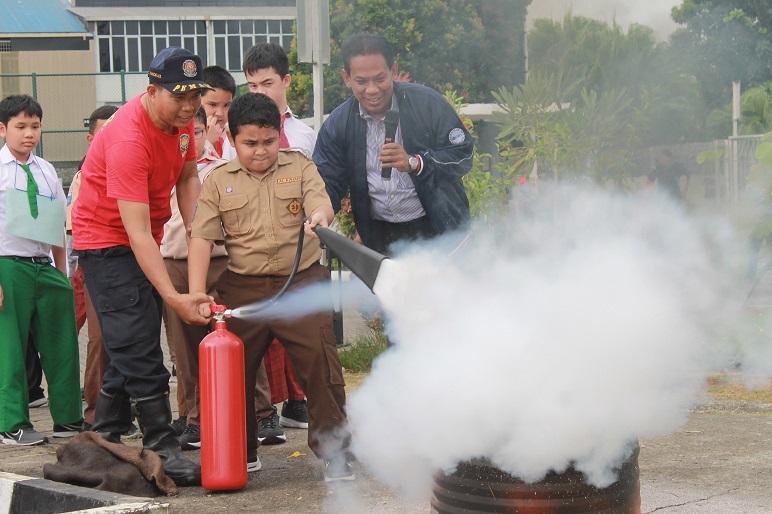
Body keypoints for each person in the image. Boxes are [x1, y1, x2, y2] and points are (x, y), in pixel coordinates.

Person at [188, 92, 354, 481]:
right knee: (230, 370)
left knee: (321, 363)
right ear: (231, 139)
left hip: (301, 283)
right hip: (243, 288)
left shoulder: (300, 166)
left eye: (268, 141)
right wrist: (198, 295)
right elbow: (201, 239)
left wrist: (318, 216)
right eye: (249, 144)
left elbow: (322, 204)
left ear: (279, 134)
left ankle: (335, 451)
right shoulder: (217, 182)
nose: (260, 151)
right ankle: (238, 451)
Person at [71, 47, 213, 487]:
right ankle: (163, 445)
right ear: (151, 91)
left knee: (132, 338)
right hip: (106, 242)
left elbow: (188, 176)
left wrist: (195, 230)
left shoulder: (183, 124)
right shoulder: (128, 138)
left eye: (195, 96)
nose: (189, 106)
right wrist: (175, 297)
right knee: (141, 346)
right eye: (179, 97)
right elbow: (132, 233)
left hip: (142, 237)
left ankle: (106, 433)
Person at [314, 33, 473, 256]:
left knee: (444, 291)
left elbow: (463, 154)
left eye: (380, 78)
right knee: (391, 291)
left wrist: (415, 163)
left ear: (394, 71)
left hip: (439, 230)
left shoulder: (427, 104)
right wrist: (321, 210)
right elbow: (327, 180)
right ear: (347, 78)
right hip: (381, 237)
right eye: (361, 81)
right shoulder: (338, 124)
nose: (372, 90)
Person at [243, 41, 317, 443]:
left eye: (267, 83)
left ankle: (300, 402)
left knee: (300, 333)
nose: (259, 92)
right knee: (254, 335)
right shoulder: (237, 134)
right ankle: (261, 413)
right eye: (251, 85)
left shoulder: (301, 135)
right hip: (250, 248)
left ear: (285, 81)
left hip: (294, 250)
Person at [0, 94, 83, 445]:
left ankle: (68, 420)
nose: (28, 134)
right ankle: (12, 424)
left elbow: (55, 223)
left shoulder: (46, 169)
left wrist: (62, 273)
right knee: (11, 349)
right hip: (8, 265)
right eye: (20, 127)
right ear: (3, 129)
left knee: (62, 344)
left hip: (44, 266)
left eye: (35, 126)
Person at [66, 105, 140, 439]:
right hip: (98, 263)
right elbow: (72, 226)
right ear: (92, 138)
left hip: (137, 260)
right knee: (101, 339)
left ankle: (124, 412)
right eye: (103, 132)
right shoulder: (87, 174)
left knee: (135, 339)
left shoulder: (136, 162)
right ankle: (96, 414)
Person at [164, 107, 228, 451]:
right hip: (174, 260)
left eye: (200, 132)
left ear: (208, 132)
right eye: (187, 134)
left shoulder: (221, 170)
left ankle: (260, 413)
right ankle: (193, 419)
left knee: (231, 338)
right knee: (185, 350)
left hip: (219, 263)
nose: (193, 139)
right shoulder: (167, 168)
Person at [200, 65, 236, 160]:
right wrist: (208, 141)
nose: (220, 113)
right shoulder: (188, 133)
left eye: (227, 105)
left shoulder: (235, 133)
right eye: (212, 104)